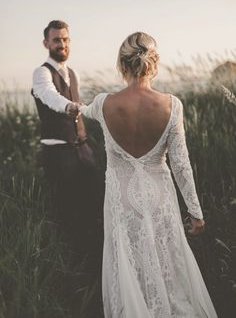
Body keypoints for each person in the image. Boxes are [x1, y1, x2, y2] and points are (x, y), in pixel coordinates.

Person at [79, 32, 218, 317]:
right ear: (154, 64)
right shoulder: (172, 105)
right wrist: (195, 211)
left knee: (130, 269)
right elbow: (181, 164)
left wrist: (71, 107)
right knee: (169, 272)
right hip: (160, 201)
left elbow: (82, 110)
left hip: (122, 204)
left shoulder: (104, 104)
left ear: (122, 64)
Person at [32, 20, 102, 264]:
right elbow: (49, 96)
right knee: (68, 210)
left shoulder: (74, 73)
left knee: (92, 203)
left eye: (65, 39)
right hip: (58, 153)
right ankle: (73, 265)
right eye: (56, 40)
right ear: (46, 43)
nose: (62, 44)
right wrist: (69, 106)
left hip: (83, 149)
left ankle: (96, 258)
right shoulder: (41, 73)